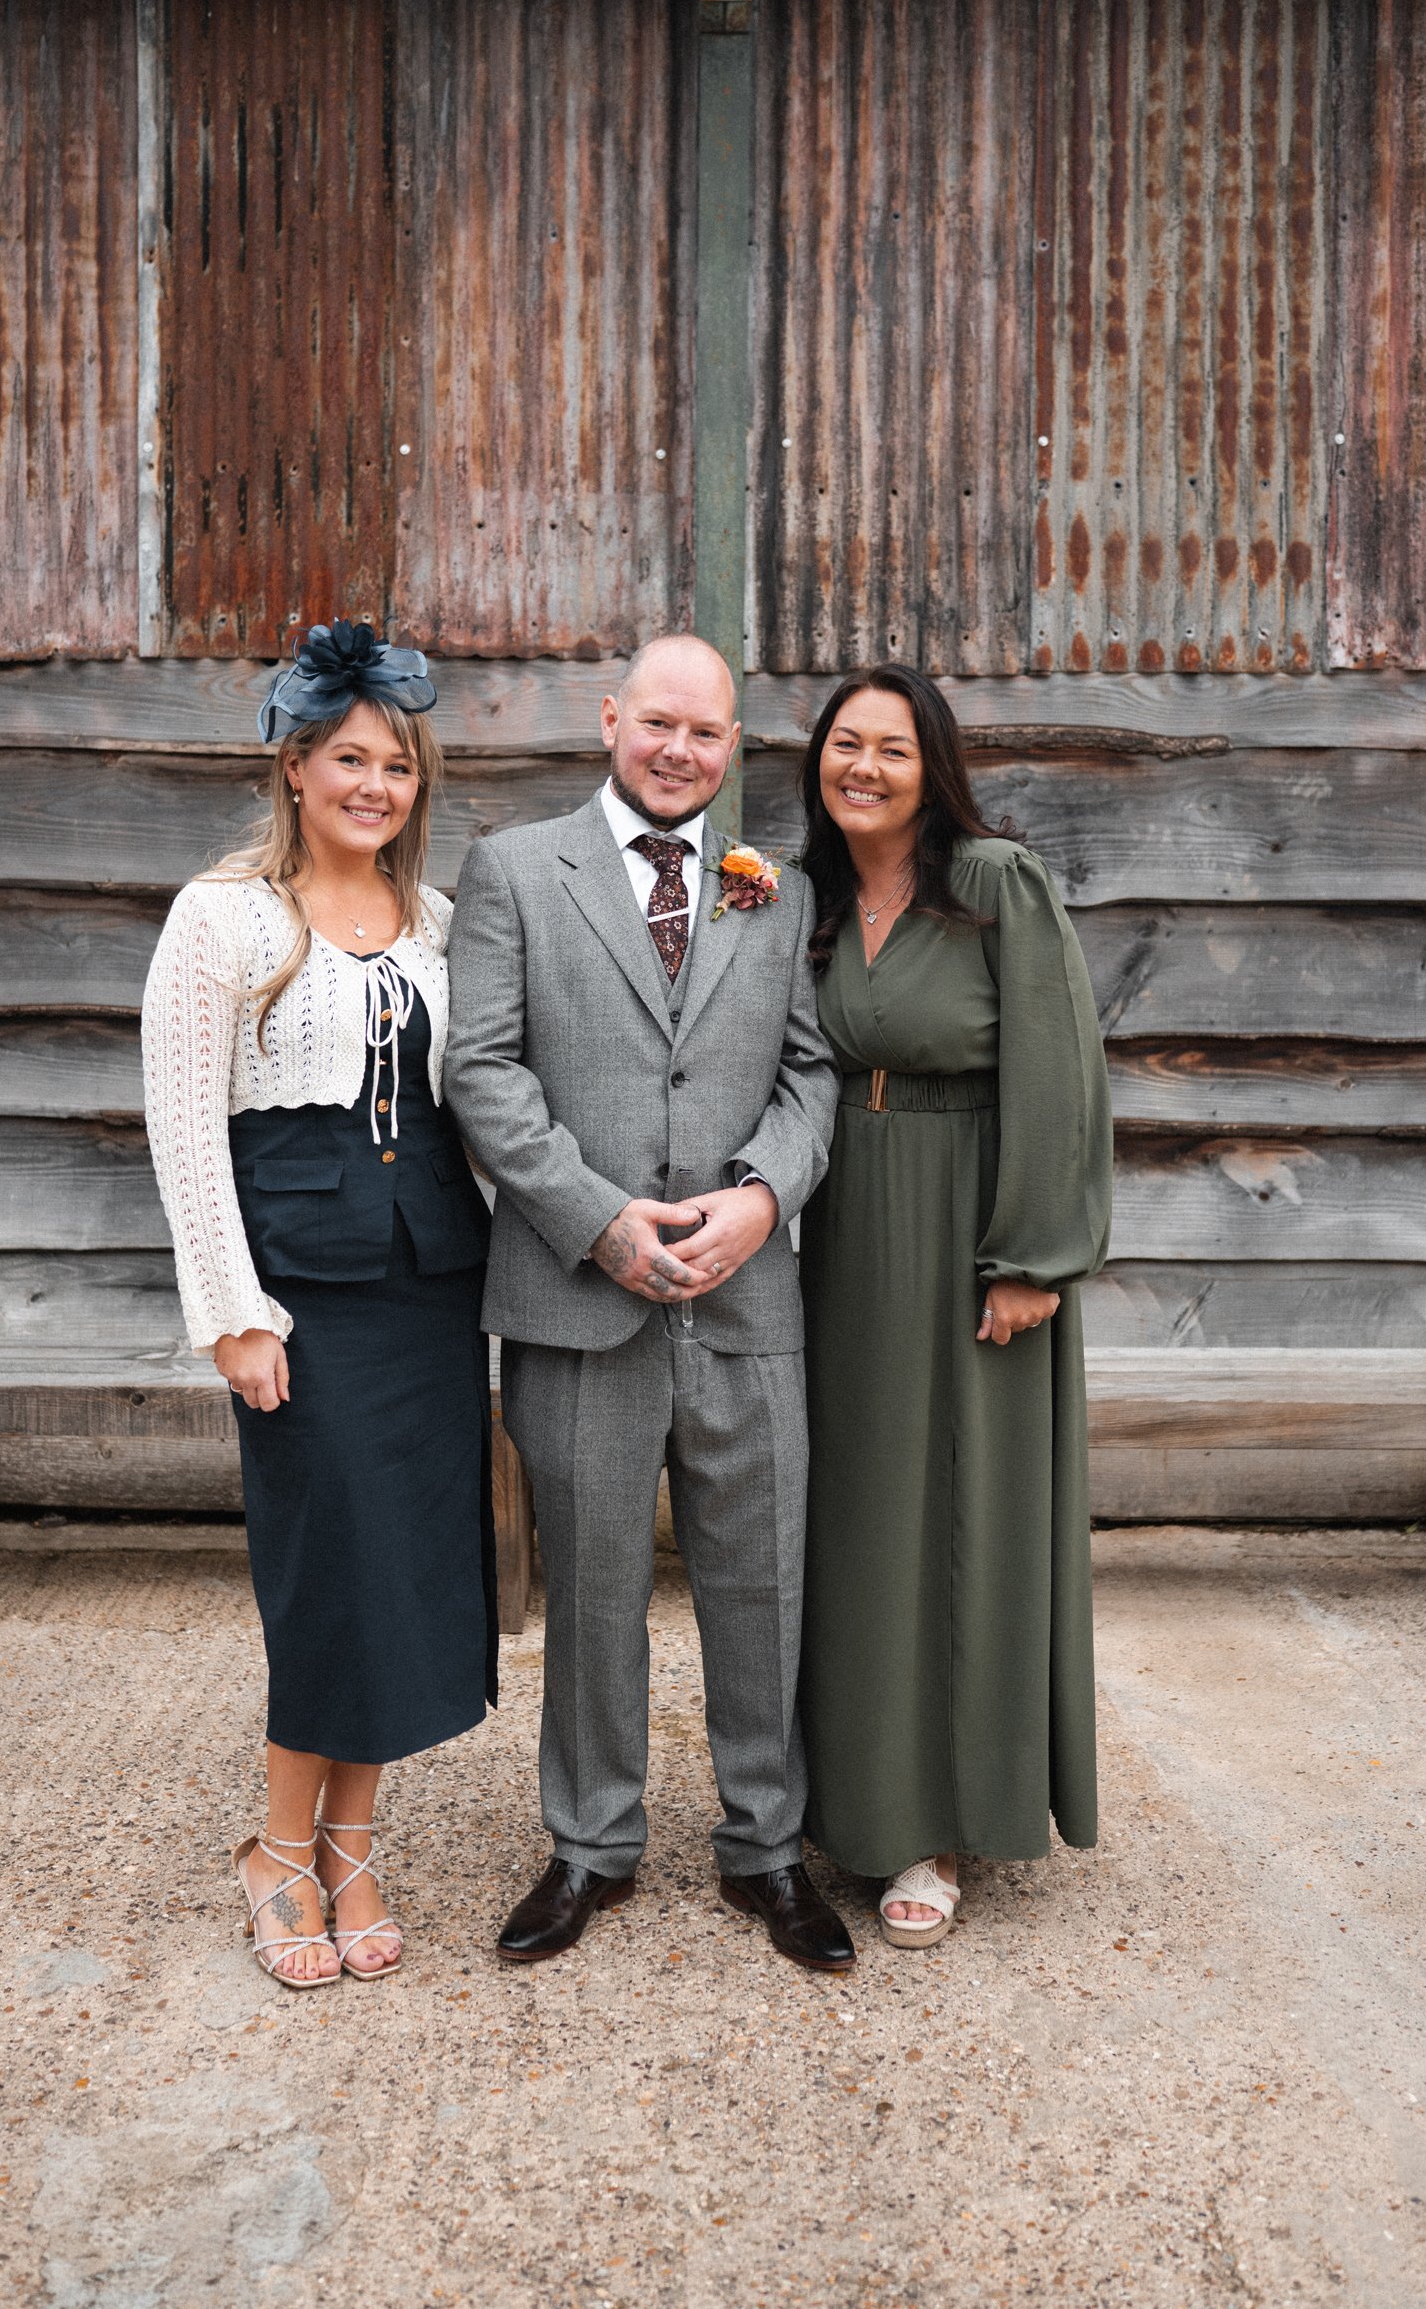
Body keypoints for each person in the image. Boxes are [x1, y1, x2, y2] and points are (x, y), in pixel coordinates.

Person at [444, 635, 853, 1972]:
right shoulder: (515, 870)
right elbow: (485, 1073)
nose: (679, 749)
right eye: (657, 722)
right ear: (611, 718)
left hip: (747, 1306)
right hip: (579, 1304)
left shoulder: (766, 892)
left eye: (707, 732)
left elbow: (808, 1079)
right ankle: (587, 1846)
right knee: (596, 1590)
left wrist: (759, 1200)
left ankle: (764, 1850)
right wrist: (598, 1222)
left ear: (732, 748)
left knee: (760, 1586)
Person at [142, 621, 496, 1990]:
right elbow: (183, 1128)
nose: (374, 786)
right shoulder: (221, 917)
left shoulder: (439, 927)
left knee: (401, 1574)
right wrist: (232, 1310)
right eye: (348, 759)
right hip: (300, 1289)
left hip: (426, 1290)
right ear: (294, 766)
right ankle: (277, 1851)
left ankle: (354, 1842)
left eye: (396, 766)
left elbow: (474, 1110)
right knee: (324, 1570)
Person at [795, 663, 1112, 1947]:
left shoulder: (994, 886)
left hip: (967, 1233)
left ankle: (934, 1823)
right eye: (842, 744)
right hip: (837, 1238)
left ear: (933, 768)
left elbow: (1059, 1067)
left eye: (892, 748)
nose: (862, 767)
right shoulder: (802, 900)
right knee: (857, 1518)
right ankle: (847, 1797)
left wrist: (1032, 1253)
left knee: (957, 1520)